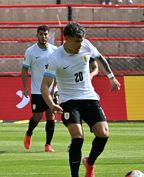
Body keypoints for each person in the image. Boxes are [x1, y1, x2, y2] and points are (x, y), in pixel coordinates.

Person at [41, 22, 120, 177]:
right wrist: (51, 104)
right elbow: (45, 86)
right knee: (77, 137)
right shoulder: (55, 57)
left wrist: (111, 77)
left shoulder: (86, 45)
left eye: (82, 40)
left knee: (103, 133)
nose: (80, 44)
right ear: (67, 38)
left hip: (89, 97)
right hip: (69, 101)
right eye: (77, 41)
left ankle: (89, 162)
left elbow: (100, 58)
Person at [22, 25, 58, 152]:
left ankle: (48, 145)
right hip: (37, 91)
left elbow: (58, 70)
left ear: (49, 35)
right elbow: (25, 69)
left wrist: (57, 87)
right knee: (37, 117)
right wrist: (25, 87)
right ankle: (29, 132)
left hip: (51, 91)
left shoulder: (55, 50)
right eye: (41, 34)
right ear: (37, 35)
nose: (44, 36)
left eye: (46, 34)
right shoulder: (31, 51)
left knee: (51, 115)